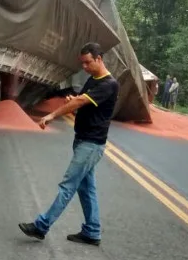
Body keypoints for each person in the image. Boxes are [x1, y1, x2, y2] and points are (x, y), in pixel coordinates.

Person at [18, 42, 119, 246]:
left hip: (91, 144)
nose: (84, 67)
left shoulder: (108, 84)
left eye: (88, 62)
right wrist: (76, 100)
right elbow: (83, 102)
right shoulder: (93, 80)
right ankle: (92, 231)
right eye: (82, 63)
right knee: (86, 189)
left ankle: (41, 226)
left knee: (68, 186)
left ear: (99, 59)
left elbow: (80, 102)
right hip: (82, 139)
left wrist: (51, 115)